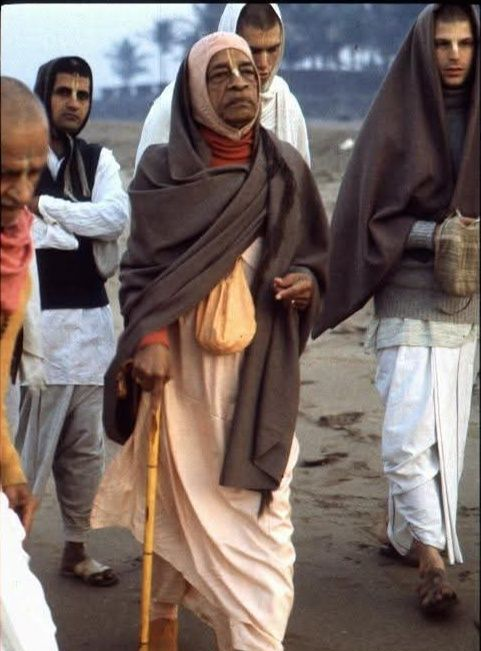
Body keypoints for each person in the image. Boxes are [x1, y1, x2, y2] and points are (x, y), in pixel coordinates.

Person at [92, 31, 340, 651]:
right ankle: (164, 615)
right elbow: (140, 273)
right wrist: (148, 338)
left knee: (263, 504)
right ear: (195, 93)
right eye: (220, 73)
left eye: (246, 70)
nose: (238, 81)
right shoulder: (161, 172)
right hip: (180, 373)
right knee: (179, 496)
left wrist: (307, 284)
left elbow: (317, 256)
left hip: (259, 373)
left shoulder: (285, 168)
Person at [313, 4, 479, 615]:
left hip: (464, 300)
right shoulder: (394, 116)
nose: (454, 55)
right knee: (407, 438)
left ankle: (404, 533)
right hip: (405, 290)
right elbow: (365, 213)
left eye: (465, 43)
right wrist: (432, 236)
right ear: (422, 48)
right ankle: (432, 562)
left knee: (443, 442)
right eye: (442, 43)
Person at [15, 56, 129, 587]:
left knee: (85, 453)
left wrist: (47, 207)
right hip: (37, 332)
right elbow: (28, 234)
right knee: (26, 456)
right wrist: (71, 223)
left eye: (83, 95)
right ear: (45, 94)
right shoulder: (18, 159)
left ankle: (77, 550)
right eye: (64, 92)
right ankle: (9, 559)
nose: (74, 103)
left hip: (93, 331)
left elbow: (115, 217)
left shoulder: (98, 159)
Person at [1, 75, 62, 651]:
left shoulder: (16, 244)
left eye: (33, 173)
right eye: (5, 173)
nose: (21, 193)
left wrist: (11, 470)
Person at [135, 3, 311, 167]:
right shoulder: (177, 105)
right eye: (253, 50)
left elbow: (301, 181)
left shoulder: (286, 105)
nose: (264, 64)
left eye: (272, 49)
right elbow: (150, 183)